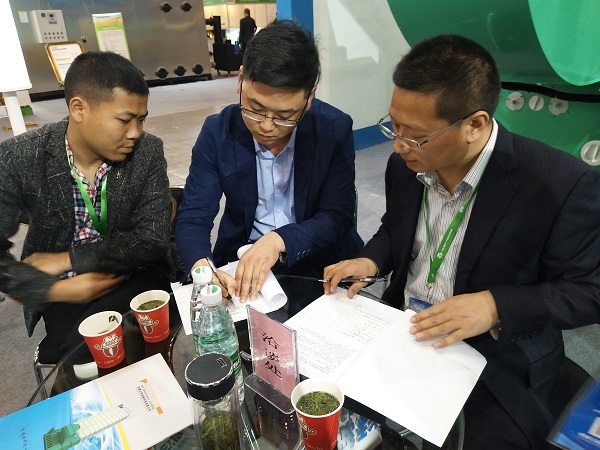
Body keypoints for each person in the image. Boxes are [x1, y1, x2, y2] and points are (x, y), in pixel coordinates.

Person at [323, 34, 600, 449]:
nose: (397, 145)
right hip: (405, 328)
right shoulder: (405, 165)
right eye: (393, 125)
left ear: (475, 124)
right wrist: (372, 260)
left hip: (495, 357)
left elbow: (589, 290)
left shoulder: (559, 184)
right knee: (329, 403)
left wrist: (494, 306)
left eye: (416, 135)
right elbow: (396, 227)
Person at [0, 51, 180, 363]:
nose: (135, 133)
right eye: (124, 120)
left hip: (131, 274)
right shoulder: (21, 158)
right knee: (80, 354)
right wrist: (56, 290)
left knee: (96, 351)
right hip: (62, 290)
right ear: (79, 108)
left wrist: (68, 259)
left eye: (141, 120)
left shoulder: (148, 151)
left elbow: (151, 239)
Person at [175, 20, 362, 314]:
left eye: (285, 116)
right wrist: (202, 267)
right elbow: (193, 217)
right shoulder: (218, 132)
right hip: (242, 258)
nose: (266, 126)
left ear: (309, 97)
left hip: (317, 259)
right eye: (255, 108)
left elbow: (337, 216)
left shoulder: (333, 129)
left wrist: (279, 240)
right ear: (240, 80)